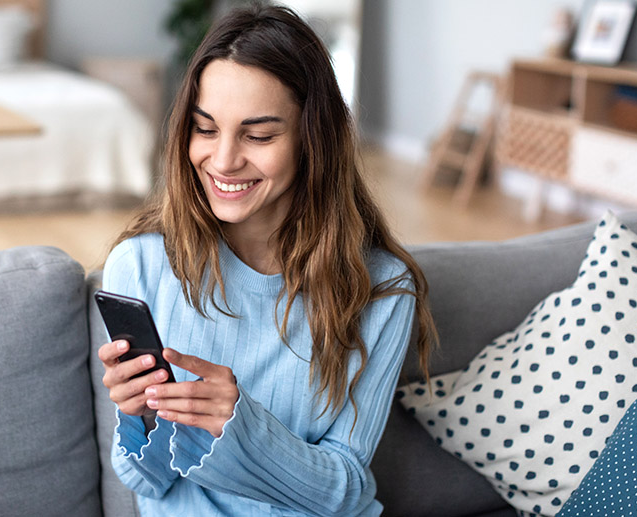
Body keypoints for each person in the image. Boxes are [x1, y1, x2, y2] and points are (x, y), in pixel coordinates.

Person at [97, 5, 437, 516]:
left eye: (258, 135)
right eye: (205, 128)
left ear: (313, 140)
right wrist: (142, 417)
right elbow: (145, 482)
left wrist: (242, 428)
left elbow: (343, 490)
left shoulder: (382, 288)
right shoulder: (141, 267)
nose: (225, 159)